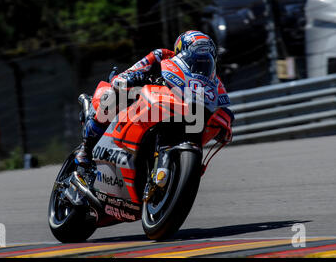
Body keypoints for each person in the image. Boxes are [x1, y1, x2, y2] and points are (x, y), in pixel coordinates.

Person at [74, 30, 234, 166]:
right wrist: (132, 78)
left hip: (179, 112)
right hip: (145, 100)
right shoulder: (162, 56)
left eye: (205, 62)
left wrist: (224, 118)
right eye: (195, 60)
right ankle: (86, 148)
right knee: (114, 94)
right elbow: (132, 70)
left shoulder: (214, 81)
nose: (200, 66)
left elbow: (222, 104)